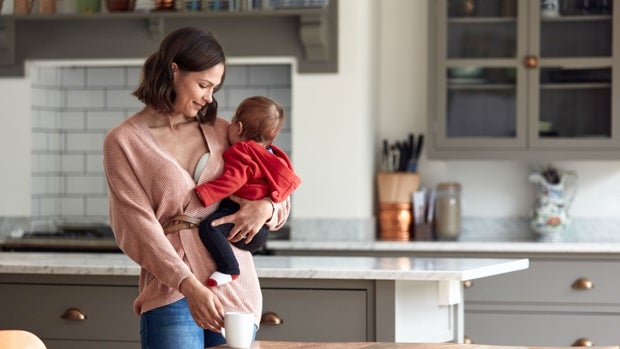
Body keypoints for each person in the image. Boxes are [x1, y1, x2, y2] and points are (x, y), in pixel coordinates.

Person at [103, 27, 291, 349]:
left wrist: (268, 209)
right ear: (174, 70)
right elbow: (138, 228)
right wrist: (189, 286)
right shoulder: (123, 142)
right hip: (172, 290)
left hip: (235, 288)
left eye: (214, 88)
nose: (209, 97)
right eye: (203, 85)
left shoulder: (223, 131)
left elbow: (277, 185)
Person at [195, 96, 301, 287]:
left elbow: (232, 181)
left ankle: (229, 268)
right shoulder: (273, 155)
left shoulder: (242, 152)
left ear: (239, 127)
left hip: (239, 218)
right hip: (261, 231)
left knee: (209, 227)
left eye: (234, 120)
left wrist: (204, 193)